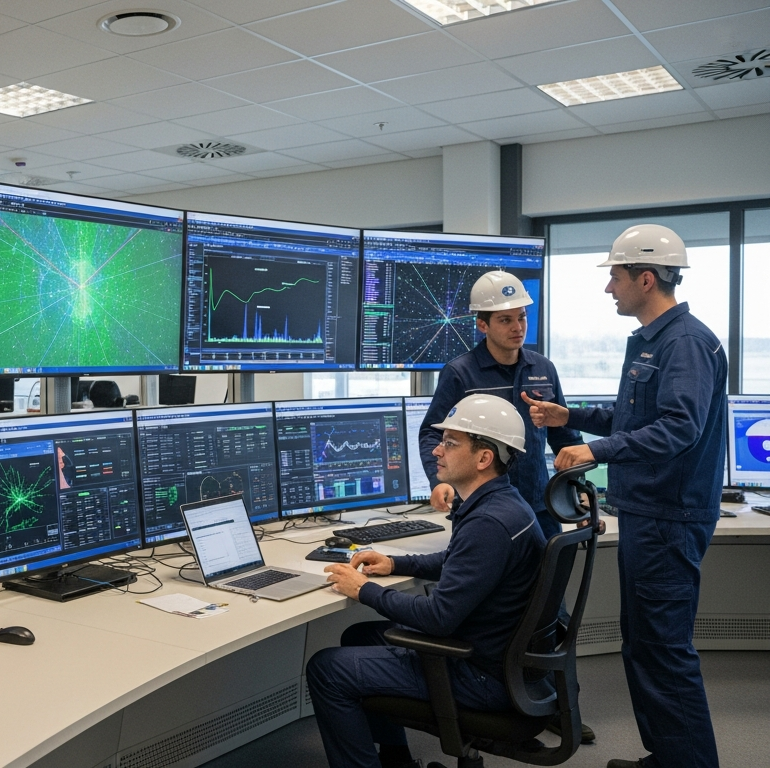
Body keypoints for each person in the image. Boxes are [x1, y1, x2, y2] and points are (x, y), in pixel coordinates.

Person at [525, 224, 725, 768]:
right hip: (651, 513)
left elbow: (679, 427)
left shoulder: (683, 343)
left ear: (645, 277)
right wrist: (573, 419)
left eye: (614, 277)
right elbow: (638, 417)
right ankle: (669, 756)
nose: (608, 288)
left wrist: (597, 452)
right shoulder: (654, 340)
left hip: (668, 516)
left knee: (663, 650)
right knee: (645, 647)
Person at [307, 395, 547, 768]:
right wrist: (394, 562)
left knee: (326, 668)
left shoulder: (488, 524)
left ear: (484, 459)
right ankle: (397, 759)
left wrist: (363, 589)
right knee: (359, 636)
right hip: (503, 660)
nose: (437, 450)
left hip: (481, 675)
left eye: (451, 443)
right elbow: (458, 562)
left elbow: (438, 618)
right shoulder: (504, 504)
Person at [421, 270, 584, 540]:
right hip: (481, 511)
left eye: (521, 317)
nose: (517, 327)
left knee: (545, 581)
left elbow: (565, 438)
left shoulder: (543, 367)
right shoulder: (460, 373)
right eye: (505, 320)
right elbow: (432, 433)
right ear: (482, 325)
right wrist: (439, 480)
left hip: (539, 508)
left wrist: (577, 497)